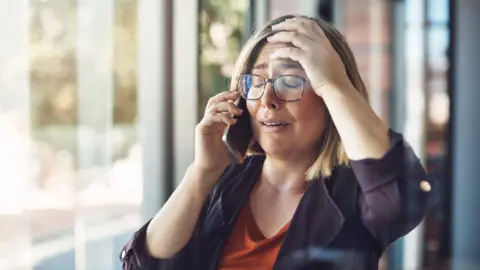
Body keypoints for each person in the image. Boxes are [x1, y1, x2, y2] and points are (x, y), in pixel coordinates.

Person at [119, 14, 438, 270]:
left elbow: (402, 199)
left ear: (329, 96)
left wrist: (333, 80)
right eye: (255, 81)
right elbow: (144, 264)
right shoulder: (222, 182)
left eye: (291, 80)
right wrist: (201, 172)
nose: (268, 99)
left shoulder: (355, 191)